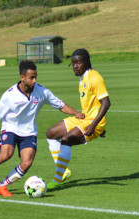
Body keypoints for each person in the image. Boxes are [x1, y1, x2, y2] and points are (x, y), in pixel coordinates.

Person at [0, 60, 84, 197]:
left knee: (27, 162)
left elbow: (60, 105)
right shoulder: (10, 95)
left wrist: (76, 113)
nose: (34, 80)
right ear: (22, 77)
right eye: (31, 78)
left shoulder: (42, 91)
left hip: (29, 131)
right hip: (10, 128)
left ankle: (2, 185)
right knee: (6, 155)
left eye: (35, 77)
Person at [46, 48, 111, 190]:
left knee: (66, 140)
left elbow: (106, 102)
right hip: (86, 118)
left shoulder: (94, 78)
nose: (75, 66)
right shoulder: (83, 78)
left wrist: (95, 126)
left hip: (92, 122)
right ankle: (64, 171)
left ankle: (58, 179)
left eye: (78, 63)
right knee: (51, 134)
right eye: (73, 63)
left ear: (86, 62)